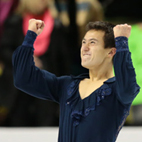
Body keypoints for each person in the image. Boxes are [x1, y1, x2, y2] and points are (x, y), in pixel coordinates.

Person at [12, 19, 140, 142]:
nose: (84, 48)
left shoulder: (117, 90)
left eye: (92, 42)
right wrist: (30, 37)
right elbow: (23, 79)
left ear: (111, 52)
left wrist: (122, 41)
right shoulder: (67, 86)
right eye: (84, 42)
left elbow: (128, 88)